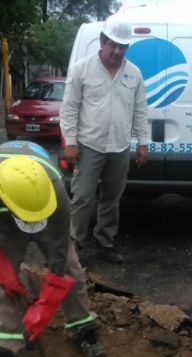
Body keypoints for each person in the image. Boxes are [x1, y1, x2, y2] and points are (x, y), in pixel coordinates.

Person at [0, 140, 106, 357]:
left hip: (48, 219)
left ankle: (82, 327)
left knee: (70, 267)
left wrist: (48, 301)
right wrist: (3, 272)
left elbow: (60, 249)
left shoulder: (55, 188)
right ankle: (3, 348)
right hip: (3, 222)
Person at [59, 16, 150, 265]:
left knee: (112, 199)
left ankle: (105, 244)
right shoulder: (82, 69)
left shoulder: (134, 74)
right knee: (82, 197)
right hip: (89, 145)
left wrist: (143, 143)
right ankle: (73, 247)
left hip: (119, 147)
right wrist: (70, 141)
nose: (117, 51)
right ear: (102, 41)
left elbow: (140, 110)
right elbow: (69, 108)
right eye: (113, 45)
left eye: (122, 47)